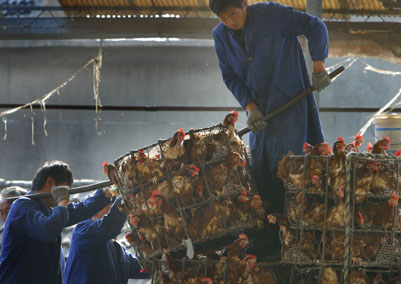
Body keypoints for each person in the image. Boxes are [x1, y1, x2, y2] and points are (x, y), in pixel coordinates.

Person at [209, 0, 330, 259]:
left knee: (291, 171)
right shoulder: (219, 36)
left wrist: (318, 65)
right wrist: (250, 108)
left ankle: (300, 242)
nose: (230, 22)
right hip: (261, 117)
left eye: (233, 14)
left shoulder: (272, 14)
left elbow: (315, 26)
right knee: (261, 175)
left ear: (245, 3)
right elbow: (229, 75)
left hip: (290, 105)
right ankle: (271, 246)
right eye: (223, 18)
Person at [0, 160, 113, 284]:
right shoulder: (22, 206)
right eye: (64, 189)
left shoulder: (47, 210)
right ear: (50, 182)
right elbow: (48, 230)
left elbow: (79, 210)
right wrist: (62, 201)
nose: (67, 195)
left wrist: (107, 193)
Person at [64, 197, 150, 284]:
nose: (111, 214)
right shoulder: (82, 231)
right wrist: (123, 201)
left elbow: (140, 267)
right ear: (95, 213)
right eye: (109, 211)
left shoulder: (117, 250)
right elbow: (109, 225)